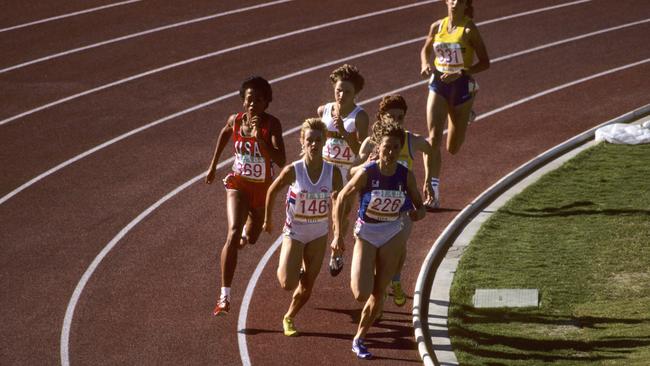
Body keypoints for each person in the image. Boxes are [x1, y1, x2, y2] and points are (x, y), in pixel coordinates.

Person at [331, 121, 426, 359]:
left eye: (396, 147)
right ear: (379, 147)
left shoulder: (405, 175)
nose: (391, 152)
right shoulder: (367, 172)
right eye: (387, 147)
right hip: (367, 234)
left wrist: (419, 212)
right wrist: (337, 236)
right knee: (361, 293)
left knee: (378, 292)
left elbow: (419, 205)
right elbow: (342, 197)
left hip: (392, 232)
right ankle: (369, 271)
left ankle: (359, 338)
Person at [206, 76, 286, 316]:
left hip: (262, 189)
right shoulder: (236, 120)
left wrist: (261, 140)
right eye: (249, 99)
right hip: (238, 184)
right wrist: (213, 166)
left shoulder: (272, 125)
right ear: (243, 101)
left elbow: (281, 161)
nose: (253, 104)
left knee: (251, 237)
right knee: (231, 231)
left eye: (258, 100)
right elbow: (225, 132)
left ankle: (243, 236)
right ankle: (224, 296)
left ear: (266, 103)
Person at [350, 95, 434, 307]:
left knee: (398, 245)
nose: (396, 121)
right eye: (391, 116)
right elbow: (352, 169)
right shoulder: (372, 143)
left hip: (401, 206)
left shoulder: (410, 140)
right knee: (375, 261)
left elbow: (431, 150)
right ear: (381, 117)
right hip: (373, 209)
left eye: (400, 117)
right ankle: (380, 292)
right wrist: (365, 165)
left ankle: (393, 281)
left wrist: (430, 179)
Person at [263, 118, 343, 336]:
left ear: (325, 141)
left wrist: (338, 235)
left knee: (308, 284)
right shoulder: (294, 170)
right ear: (302, 142)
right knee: (287, 283)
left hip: (318, 232)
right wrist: (267, 220)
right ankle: (293, 267)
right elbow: (272, 191)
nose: (314, 144)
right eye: (310, 140)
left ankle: (289, 317)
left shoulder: (333, 172)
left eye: (318, 140)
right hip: (295, 231)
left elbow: (338, 204)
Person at [420, 0, 490, 209]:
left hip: (461, 85)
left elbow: (485, 62)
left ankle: (466, 109)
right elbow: (425, 49)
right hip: (439, 84)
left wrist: (461, 72)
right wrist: (425, 63)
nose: (454, 3)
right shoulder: (437, 26)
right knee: (433, 138)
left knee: (453, 148)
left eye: (459, 1)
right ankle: (432, 190)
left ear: (465, 5)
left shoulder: (469, 29)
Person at [317, 64, 370, 277]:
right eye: (339, 90)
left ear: (355, 93)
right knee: (321, 213)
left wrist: (343, 132)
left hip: (347, 170)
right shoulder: (324, 110)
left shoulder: (360, 116)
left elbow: (362, 151)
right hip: (324, 168)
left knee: (341, 212)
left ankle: (336, 251)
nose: (341, 95)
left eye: (347, 91)